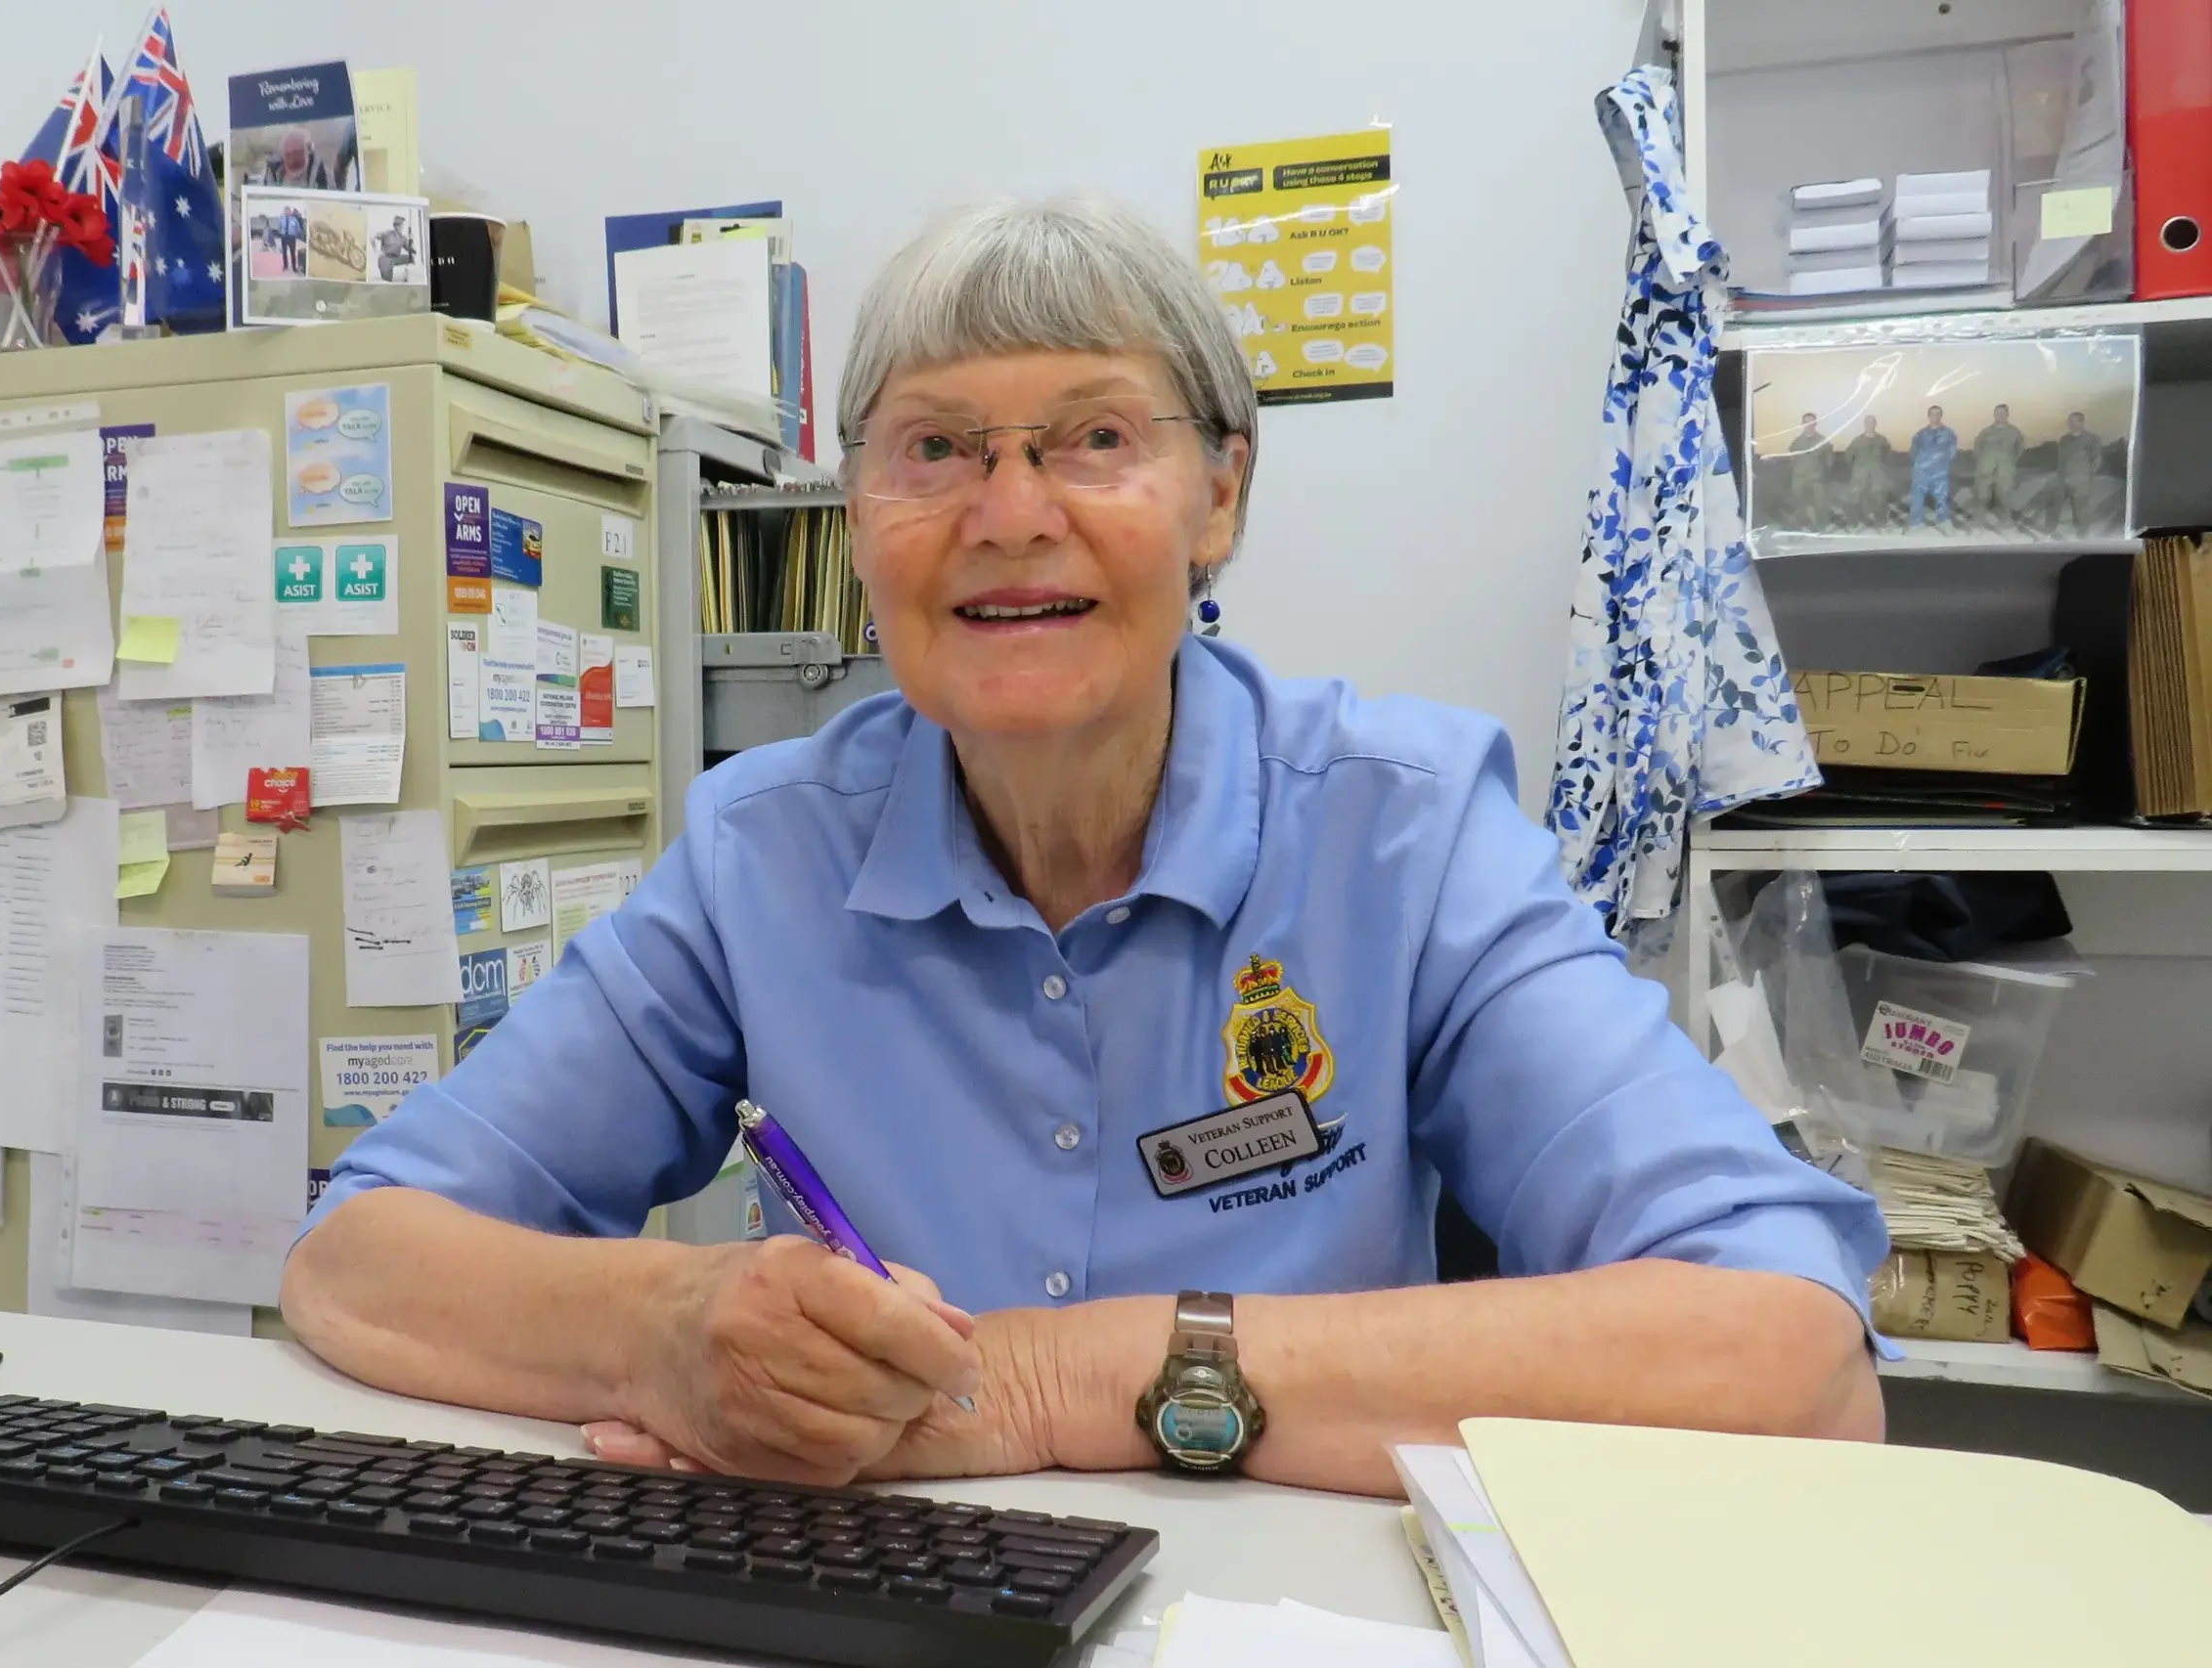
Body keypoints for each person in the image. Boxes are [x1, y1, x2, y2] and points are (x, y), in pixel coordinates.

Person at [283, 198, 1886, 1500]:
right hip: (875, 1598)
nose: (1008, 512)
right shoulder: (760, 853)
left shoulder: (1406, 829)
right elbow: (356, 1259)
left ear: (1220, 496)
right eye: (935, 449)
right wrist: (667, 1325)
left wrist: (1055, 1383)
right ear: (859, 518)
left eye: (1093, 439)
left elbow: (1784, 1343)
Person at [1969, 404, 2023, 533]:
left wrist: (2009, 463)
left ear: (2007, 414)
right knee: (1982, 496)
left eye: (2003, 413)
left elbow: (2019, 449)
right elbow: (1977, 448)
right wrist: (1983, 462)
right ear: (1994, 414)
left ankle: (2006, 523)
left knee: (2004, 496)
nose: (2000, 416)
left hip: (2005, 471)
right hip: (1985, 471)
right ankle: (1977, 524)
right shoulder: (1985, 432)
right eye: (1997, 413)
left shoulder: (2014, 432)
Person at [2055, 410, 2105, 535]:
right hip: (2065, 477)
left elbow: (2097, 459)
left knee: (2081, 505)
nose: (2071, 424)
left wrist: (2088, 475)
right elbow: (2060, 459)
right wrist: (2060, 474)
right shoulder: (2064, 439)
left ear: (2082, 422)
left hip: (2081, 479)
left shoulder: (2092, 439)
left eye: (2074, 421)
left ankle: (2082, 530)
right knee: (2068, 503)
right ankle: (2073, 524)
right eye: (2070, 422)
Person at [1908, 405, 1958, 530]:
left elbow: (1952, 451)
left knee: (1942, 497)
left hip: (1940, 472)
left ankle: (1943, 522)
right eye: (1932, 414)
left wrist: (1940, 463)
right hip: (1922, 472)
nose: (1934, 416)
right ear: (1928, 416)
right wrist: (1922, 463)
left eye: (1937, 414)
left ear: (1941, 416)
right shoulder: (1920, 434)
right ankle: (1916, 523)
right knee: (1918, 498)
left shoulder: (1948, 433)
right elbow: (1913, 451)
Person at [1842, 416, 1896, 529]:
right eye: (1867, 423)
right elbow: (1848, 457)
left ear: (1875, 424)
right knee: (1854, 497)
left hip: (1877, 474)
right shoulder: (1857, 441)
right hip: (1860, 474)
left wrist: (1882, 467)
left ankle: (1880, 522)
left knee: (1879, 497)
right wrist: (1857, 467)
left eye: (1872, 423)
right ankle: (1852, 522)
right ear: (1864, 424)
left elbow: (1888, 454)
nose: (1869, 425)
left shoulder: (1882, 440)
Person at [1785, 413, 1834, 529]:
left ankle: (1821, 527)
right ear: (1802, 424)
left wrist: (1823, 474)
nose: (1809, 425)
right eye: (1806, 422)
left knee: (1820, 503)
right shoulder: (1797, 442)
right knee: (1797, 503)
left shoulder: (1822, 440)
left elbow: (1829, 461)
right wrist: (1794, 472)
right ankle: (1799, 526)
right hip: (1799, 477)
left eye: (1811, 422)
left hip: (1816, 477)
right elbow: (1792, 457)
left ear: (1815, 423)